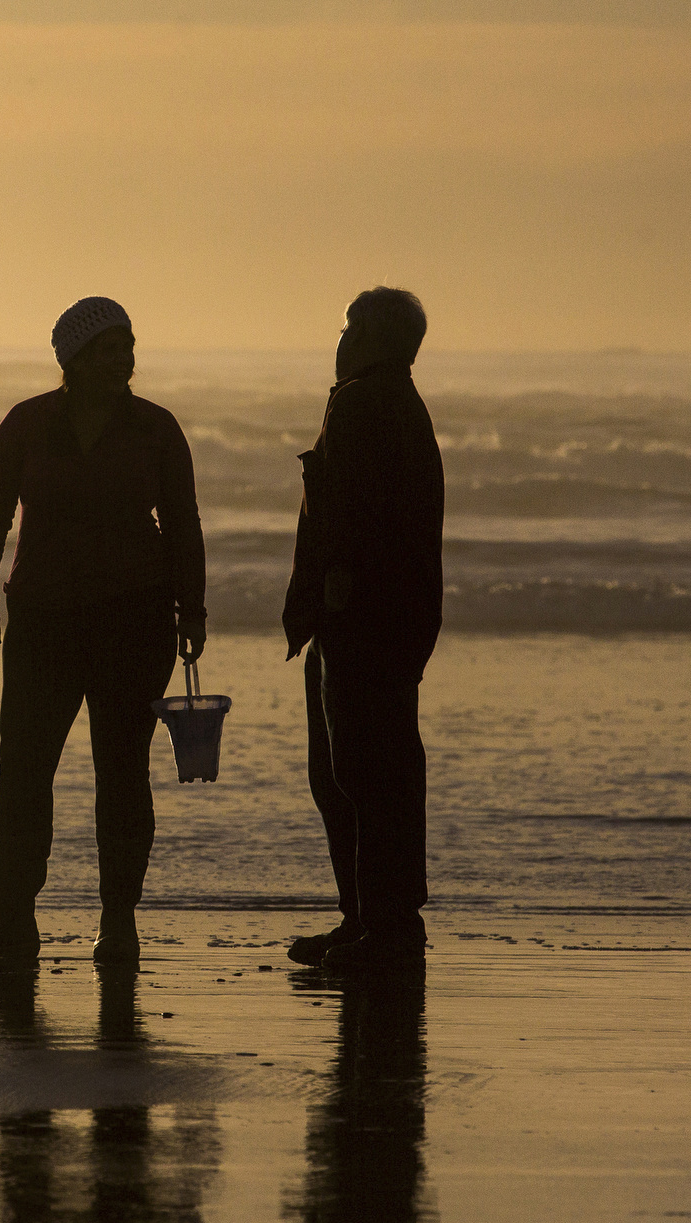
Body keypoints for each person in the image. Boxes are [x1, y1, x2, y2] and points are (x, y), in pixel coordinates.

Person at [0, 297, 206, 965]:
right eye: (110, 349)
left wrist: (192, 610)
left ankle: (118, 921)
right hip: (44, 620)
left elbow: (182, 522)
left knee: (122, 772)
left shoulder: (155, 428)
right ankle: (9, 921)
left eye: (128, 346)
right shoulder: (27, 424)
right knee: (24, 773)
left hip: (134, 619)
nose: (124, 360)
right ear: (74, 359)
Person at [284, 288, 444, 972]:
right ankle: (369, 920)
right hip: (390, 616)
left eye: (351, 328)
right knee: (360, 769)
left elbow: (350, 512)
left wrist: (333, 588)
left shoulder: (361, 403)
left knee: (362, 772)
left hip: (364, 618)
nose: (341, 339)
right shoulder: (395, 402)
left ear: (377, 340)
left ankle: (386, 928)